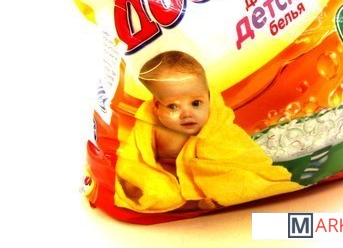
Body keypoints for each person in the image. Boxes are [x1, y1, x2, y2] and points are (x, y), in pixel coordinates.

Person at [115, 51, 302, 213]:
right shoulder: (150, 128)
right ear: (156, 106)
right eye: (172, 106)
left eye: (196, 103)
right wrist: (138, 177)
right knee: (160, 192)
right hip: (168, 178)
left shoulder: (216, 127)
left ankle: (208, 199)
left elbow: (237, 155)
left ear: (208, 99)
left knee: (237, 180)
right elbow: (134, 158)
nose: (187, 113)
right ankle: (189, 203)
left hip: (205, 179)